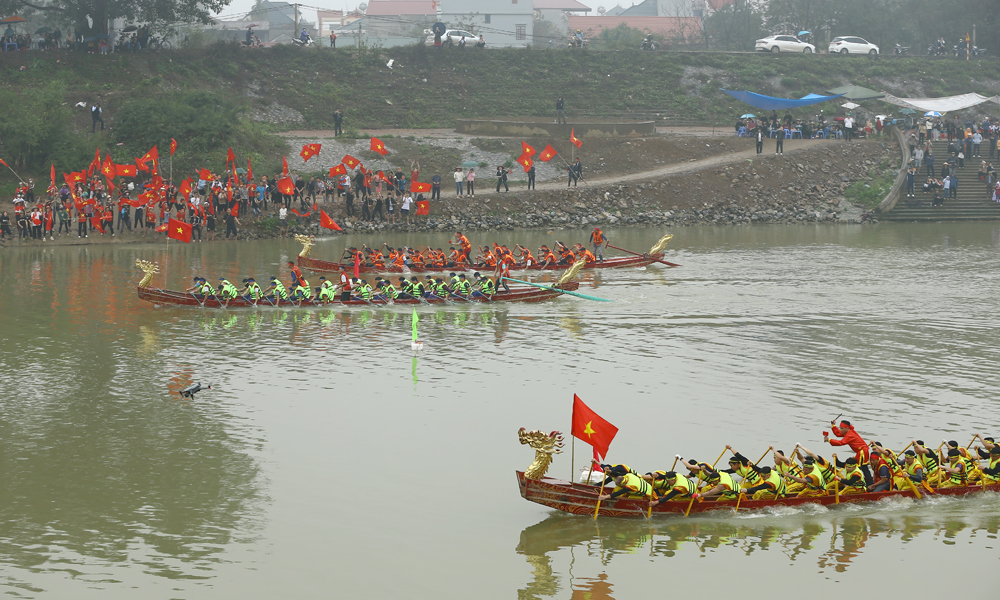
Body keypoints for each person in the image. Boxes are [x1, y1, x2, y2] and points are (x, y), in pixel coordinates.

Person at [824, 420, 873, 485]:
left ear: (847, 428)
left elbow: (841, 443)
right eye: (840, 428)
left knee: (862, 468)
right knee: (860, 467)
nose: (840, 430)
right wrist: (833, 425)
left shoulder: (850, 435)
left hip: (862, 452)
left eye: (842, 428)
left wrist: (829, 440)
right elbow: (838, 434)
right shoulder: (847, 432)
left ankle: (869, 484)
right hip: (860, 451)